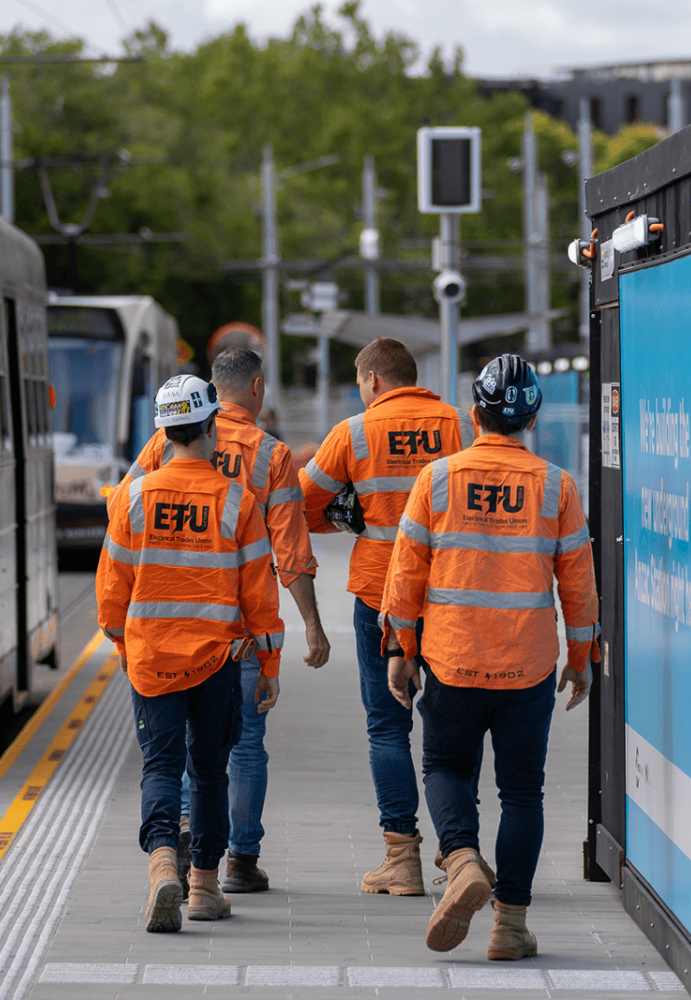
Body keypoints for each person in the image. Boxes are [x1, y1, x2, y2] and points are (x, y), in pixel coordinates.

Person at [379, 353, 599, 960]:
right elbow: (579, 585)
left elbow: (405, 576)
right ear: (532, 419)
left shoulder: (438, 479)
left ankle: (462, 860)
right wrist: (581, 656)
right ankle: (510, 926)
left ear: (474, 412)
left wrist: (400, 648)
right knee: (523, 791)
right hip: (527, 665)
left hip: (451, 659)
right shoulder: (558, 486)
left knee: (446, 769)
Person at [122, 347, 330, 894]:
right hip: (235, 633)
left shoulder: (159, 447)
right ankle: (235, 861)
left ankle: (182, 845)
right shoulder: (271, 456)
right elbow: (289, 551)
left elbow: (123, 518)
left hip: (161, 634)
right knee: (240, 746)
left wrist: (122, 637)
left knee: (169, 757)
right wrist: (309, 625)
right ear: (257, 387)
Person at [96, 374, 284, 933]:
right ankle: (203, 887)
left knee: (160, 765)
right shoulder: (236, 500)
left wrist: (121, 642)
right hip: (217, 662)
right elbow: (259, 595)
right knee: (208, 771)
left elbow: (111, 589)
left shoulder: (131, 497)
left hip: (153, 660)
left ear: (163, 432)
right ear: (210, 429)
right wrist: (268, 664)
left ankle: (161, 869)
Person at [299, 336, 474, 895]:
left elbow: (303, 505)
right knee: (452, 727)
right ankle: (460, 851)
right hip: (451, 594)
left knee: (387, 725)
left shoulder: (353, 433)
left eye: (358, 382)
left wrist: (348, 523)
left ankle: (402, 859)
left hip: (379, 593)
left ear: (373, 380)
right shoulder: (457, 426)